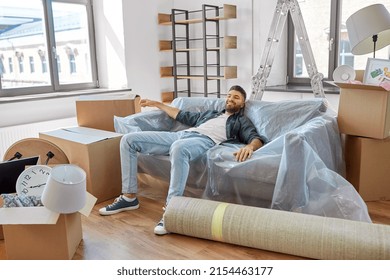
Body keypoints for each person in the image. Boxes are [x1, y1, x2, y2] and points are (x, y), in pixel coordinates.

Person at [99, 85, 267, 235]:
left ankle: (171, 210)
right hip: (180, 135)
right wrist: (157, 104)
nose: (231, 99)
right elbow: (181, 115)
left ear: (242, 104)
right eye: (229, 95)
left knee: (179, 148)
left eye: (236, 97)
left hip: (203, 141)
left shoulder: (241, 120)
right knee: (128, 140)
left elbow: (255, 138)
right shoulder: (211, 114)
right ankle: (129, 197)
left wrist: (249, 147)